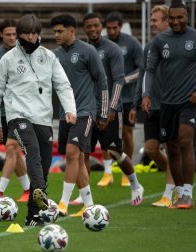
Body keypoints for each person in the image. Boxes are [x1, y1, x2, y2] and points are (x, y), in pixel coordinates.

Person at [0, 14, 77, 226]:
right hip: (17, 116)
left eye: (34, 32)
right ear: (19, 35)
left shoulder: (49, 56)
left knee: (44, 166)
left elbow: (63, 85)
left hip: (43, 118)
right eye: (27, 33)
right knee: (32, 150)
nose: (31, 36)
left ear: (39, 33)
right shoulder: (7, 59)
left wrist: (70, 109)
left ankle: (33, 216)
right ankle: (38, 191)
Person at [71, 13, 144, 211]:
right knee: (83, 153)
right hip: (86, 109)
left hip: (111, 110)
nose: (93, 29)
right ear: (84, 28)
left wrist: (111, 108)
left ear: (100, 26)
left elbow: (119, 80)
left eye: (96, 25)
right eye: (89, 26)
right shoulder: (82, 49)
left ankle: (135, 185)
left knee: (114, 151)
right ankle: (83, 194)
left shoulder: (112, 49)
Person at [50, 14, 108, 217]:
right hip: (65, 114)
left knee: (73, 153)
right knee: (79, 158)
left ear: (71, 31)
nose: (56, 35)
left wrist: (103, 112)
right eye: (54, 31)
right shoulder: (54, 55)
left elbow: (102, 81)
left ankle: (63, 204)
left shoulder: (87, 51)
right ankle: (89, 204)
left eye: (59, 31)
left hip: (85, 111)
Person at [143, 1, 196, 209]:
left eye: (179, 17)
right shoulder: (160, 41)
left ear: (187, 16)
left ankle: (188, 194)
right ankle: (180, 193)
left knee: (185, 142)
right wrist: (146, 94)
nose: (175, 21)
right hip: (166, 102)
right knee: (172, 148)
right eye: (172, 18)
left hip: (189, 102)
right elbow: (150, 70)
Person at [129, 5, 174, 208]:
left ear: (167, 21)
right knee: (151, 149)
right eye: (152, 20)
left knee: (173, 149)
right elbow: (143, 76)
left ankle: (169, 192)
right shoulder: (149, 47)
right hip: (151, 105)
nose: (152, 24)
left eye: (155, 20)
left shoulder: (177, 43)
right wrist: (135, 103)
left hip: (172, 103)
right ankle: (177, 178)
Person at [0, 19, 30, 203]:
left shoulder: (25, 53)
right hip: (3, 111)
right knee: (14, 150)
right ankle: (28, 190)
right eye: (8, 34)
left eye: (14, 34)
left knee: (12, 147)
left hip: (20, 110)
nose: (11, 38)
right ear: (1, 35)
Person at [105, 11, 143, 187]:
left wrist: (125, 80)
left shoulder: (131, 43)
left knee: (127, 134)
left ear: (120, 26)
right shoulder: (101, 44)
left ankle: (128, 172)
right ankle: (107, 172)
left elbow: (141, 69)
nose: (112, 31)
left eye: (115, 28)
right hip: (106, 97)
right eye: (109, 28)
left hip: (126, 97)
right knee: (103, 132)